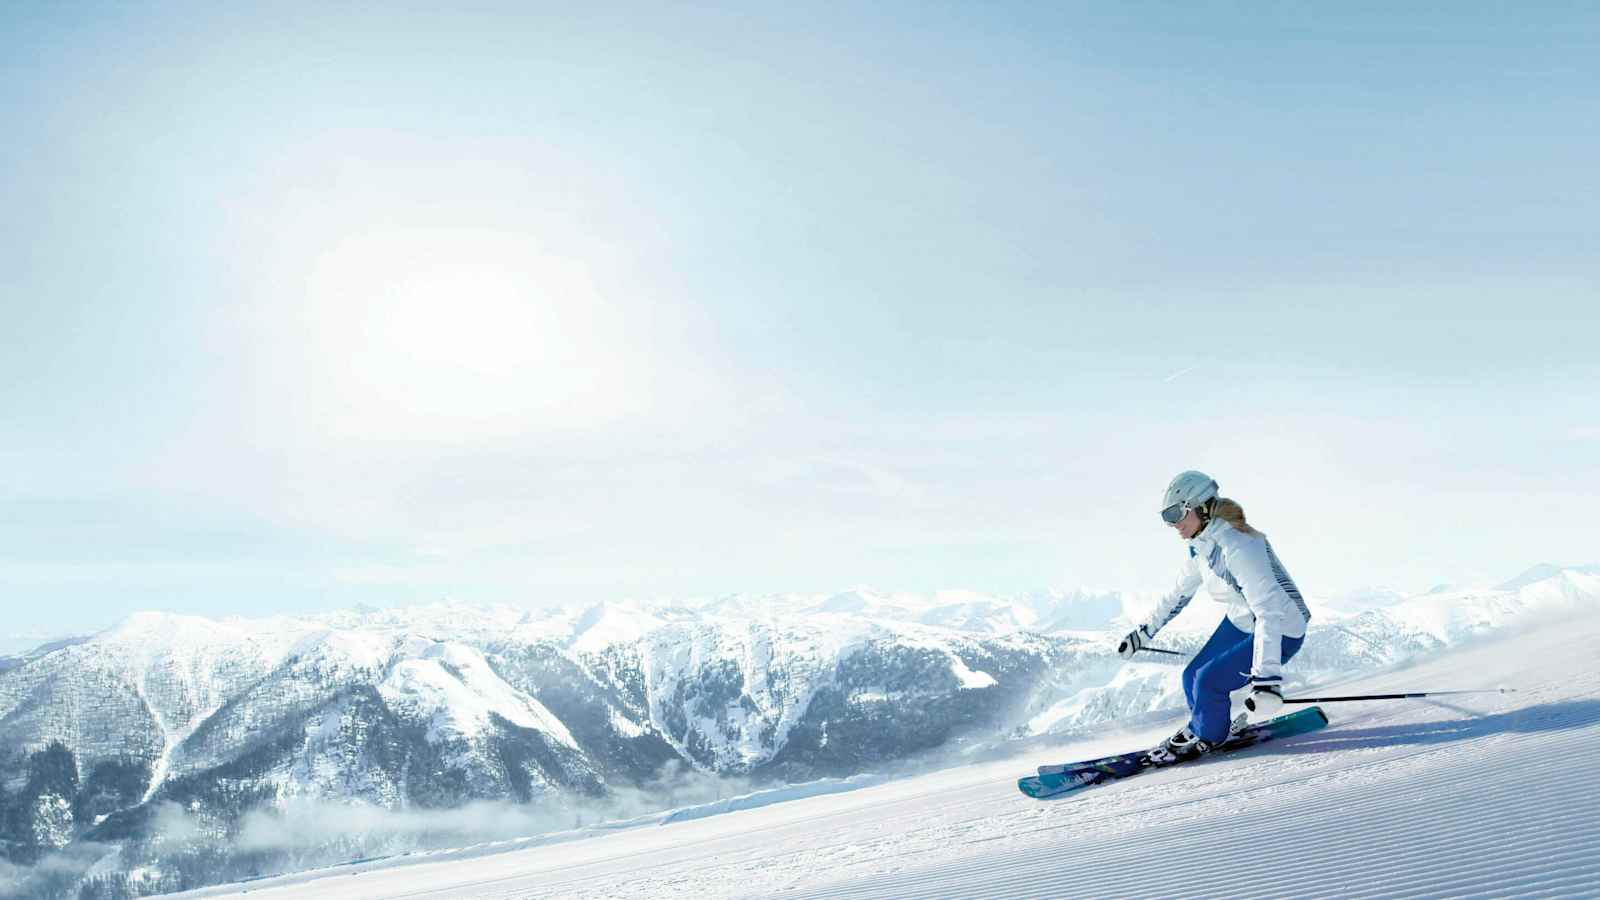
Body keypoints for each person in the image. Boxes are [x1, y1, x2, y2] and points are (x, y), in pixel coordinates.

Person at [1116, 470, 1312, 766]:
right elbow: (1177, 595)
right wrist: (1143, 633)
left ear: (1201, 506)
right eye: (1166, 517)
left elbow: (1269, 612)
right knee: (1191, 676)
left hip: (1281, 628)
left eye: (1176, 514)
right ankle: (1207, 726)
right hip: (1241, 621)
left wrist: (1267, 681)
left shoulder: (1239, 546)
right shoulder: (1203, 546)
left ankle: (1209, 735)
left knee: (1208, 682)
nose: (1173, 524)